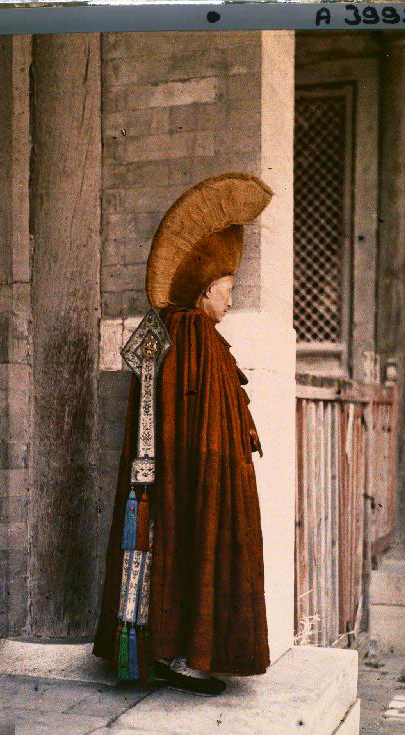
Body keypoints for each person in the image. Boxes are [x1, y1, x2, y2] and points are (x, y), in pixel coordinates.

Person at [93, 172, 272, 695]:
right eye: (227, 291)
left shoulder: (183, 332)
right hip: (190, 475)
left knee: (174, 544)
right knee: (187, 541)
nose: (230, 302)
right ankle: (181, 656)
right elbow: (193, 422)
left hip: (177, 474)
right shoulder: (193, 333)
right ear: (206, 290)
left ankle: (166, 652)